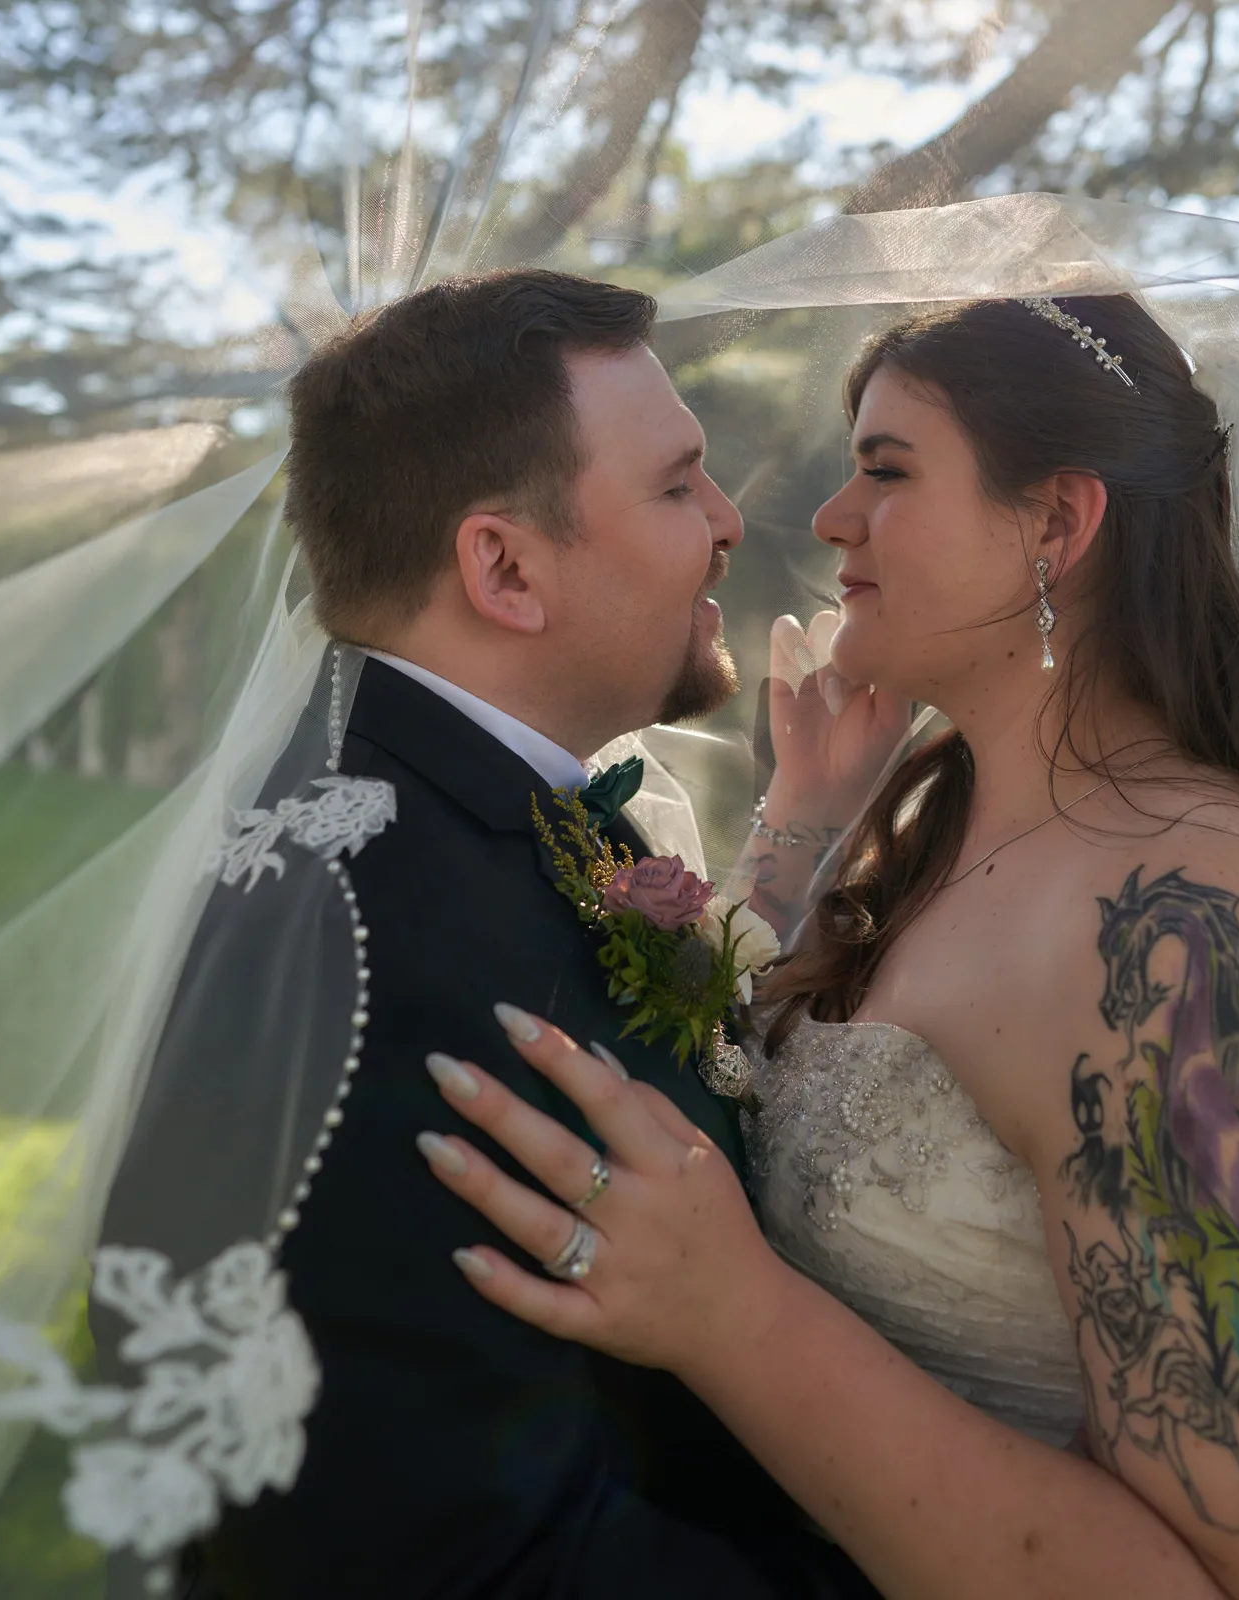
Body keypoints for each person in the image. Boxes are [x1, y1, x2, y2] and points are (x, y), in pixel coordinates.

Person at [415, 294, 1239, 1599]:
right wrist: (796, 842)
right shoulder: (942, 826)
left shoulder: (1201, 921)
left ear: (1058, 524)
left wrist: (736, 1318)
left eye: (888, 473)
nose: (829, 520)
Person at [88, 268, 881, 1598]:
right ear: (504, 566)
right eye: (679, 484)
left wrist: (796, 839)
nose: (732, 521)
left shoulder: (490, 813)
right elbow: (439, 1546)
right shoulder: (351, 921)